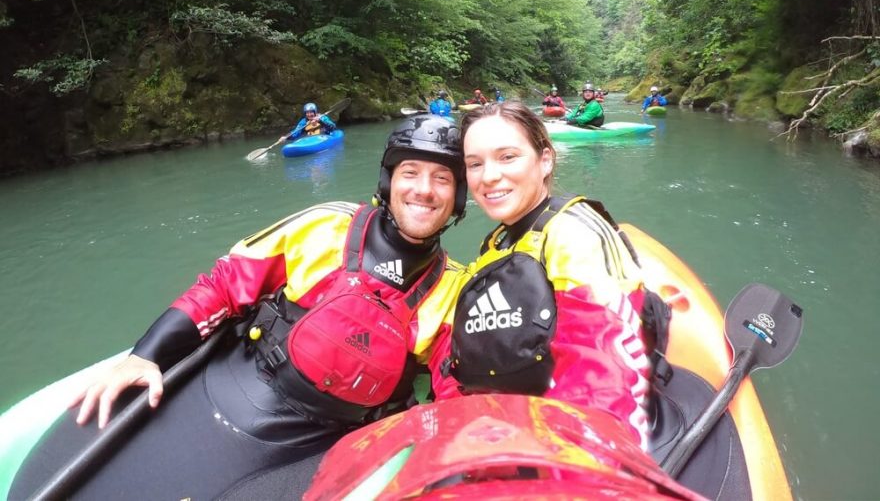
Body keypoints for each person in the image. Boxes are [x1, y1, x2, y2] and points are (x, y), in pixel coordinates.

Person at [11, 116, 468, 500]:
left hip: (319, 444)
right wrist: (147, 353)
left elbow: (456, 395)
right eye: (411, 172)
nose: (423, 190)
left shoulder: (455, 291)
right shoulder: (326, 224)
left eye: (442, 179)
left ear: (457, 199)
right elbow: (225, 286)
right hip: (237, 385)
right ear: (389, 180)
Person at [431, 101, 651, 451]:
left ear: (545, 160)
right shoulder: (498, 243)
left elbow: (602, 375)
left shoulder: (574, 234)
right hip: (502, 426)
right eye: (475, 164)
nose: (488, 176)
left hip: (559, 442)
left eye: (507, 157)